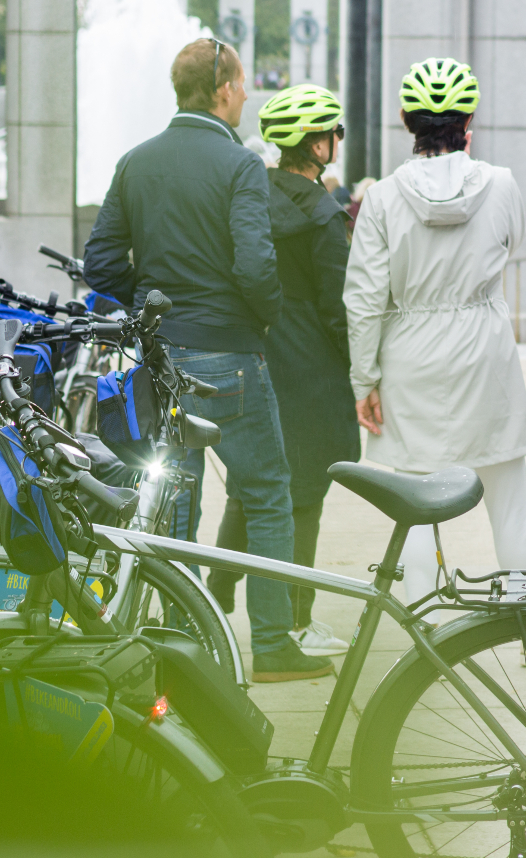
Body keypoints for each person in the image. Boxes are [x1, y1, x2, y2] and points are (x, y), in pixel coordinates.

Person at [84, 37, 330, 683]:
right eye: (243, 83)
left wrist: (152, 300)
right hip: (230, 356)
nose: (248, 94)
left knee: (178, 505)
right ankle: (273, 646)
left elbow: (101, 263)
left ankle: (183, 643)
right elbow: (254, 263)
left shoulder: (135, 162)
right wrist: (267, 313)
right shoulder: (239, 165)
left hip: (162, 359)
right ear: (223, 88)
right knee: (269, 495)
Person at [343, 58, 526, 606]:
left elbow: (363, 298)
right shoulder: (501, 185)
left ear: (407, 120)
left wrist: (365, 379)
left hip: (410, 356)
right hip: (485, 351)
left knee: (414, 500)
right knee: (510, 504)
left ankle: (423, 629)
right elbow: (512, 247)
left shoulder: (381, 197)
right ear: (468, 118)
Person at [205, 85, 361, 654]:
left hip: (259, 355)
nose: (338, 141)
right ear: (317, 144)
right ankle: (297, 619)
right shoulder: (324, 216)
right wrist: (360, 372)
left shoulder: (252, 194)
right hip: (314, 368)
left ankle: (217, 592)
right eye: (334, 133)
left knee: (254, 482)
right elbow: (337, 306)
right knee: (306, 496)